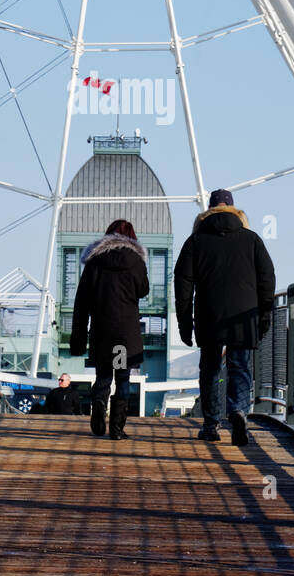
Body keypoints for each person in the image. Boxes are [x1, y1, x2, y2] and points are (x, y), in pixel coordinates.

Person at [174, 188, 275, 446]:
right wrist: (264, 316)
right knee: (239, 367)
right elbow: (267, 280)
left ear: (208, 210)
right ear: (235, 210)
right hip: (244, 315)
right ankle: (238, 411)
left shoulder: (195, 241)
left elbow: (183, 284)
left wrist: (185, 324)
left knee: (210, 369)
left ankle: (210, 424)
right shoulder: (252, 240)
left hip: (209, 315)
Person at [69, 219, 149, 441]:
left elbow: (82, 302)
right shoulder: (136, 261)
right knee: (123, 378)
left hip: (102, 332)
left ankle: (98, 404)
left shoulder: (94, 262)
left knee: (103, 376)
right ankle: (117, 428)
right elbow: (143, 290)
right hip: (125, 335)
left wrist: (78, 338)